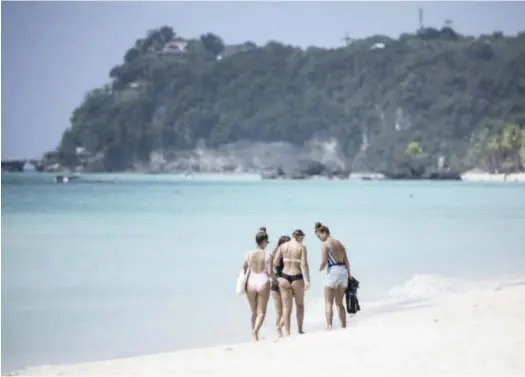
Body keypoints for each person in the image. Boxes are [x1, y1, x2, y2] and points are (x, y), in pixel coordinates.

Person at [273, 229, 310, 336]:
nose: (303, 240)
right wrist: (307, 280)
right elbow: (304, 264)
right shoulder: (301, 247)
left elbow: (275, 262)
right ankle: (300, 330)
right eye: (302, 238)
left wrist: (278, 276)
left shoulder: (283, 246)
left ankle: (288, 332)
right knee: (300, 305)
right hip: (297, 276)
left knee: (286, 307)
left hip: (284, 277)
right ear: (299, 237)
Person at [315, 221, 351, 330]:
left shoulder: (325, 244)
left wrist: (319, 268)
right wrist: (349, 276)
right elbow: (347, 261)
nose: (319, 238)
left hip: (333, 271)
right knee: (340, 303)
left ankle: (329, 326)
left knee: (328, 302)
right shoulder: (339, 243)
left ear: (324, 232)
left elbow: (324, 261)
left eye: (319, 235)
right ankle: (343, 326)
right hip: (343, 272)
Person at [242, 227, 273, 341]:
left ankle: (255, 337)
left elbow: (244, 269)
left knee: (254, 312)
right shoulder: (267, 254)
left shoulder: (248, 254)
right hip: (263, 280)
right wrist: (275, 280)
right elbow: (270, 272)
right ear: (264, 241)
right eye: (267, 242)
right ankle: (256, 331)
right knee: (262, 312)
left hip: (251, 281)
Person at [270, 235, 291, 338]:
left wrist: (274, 279)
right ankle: (282, 328)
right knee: (288, 309)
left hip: (274, 283)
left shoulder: (273, 254)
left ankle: (279, 333)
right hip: (284, 281)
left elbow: (270, 270)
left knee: (279, 311)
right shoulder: (285, 256)